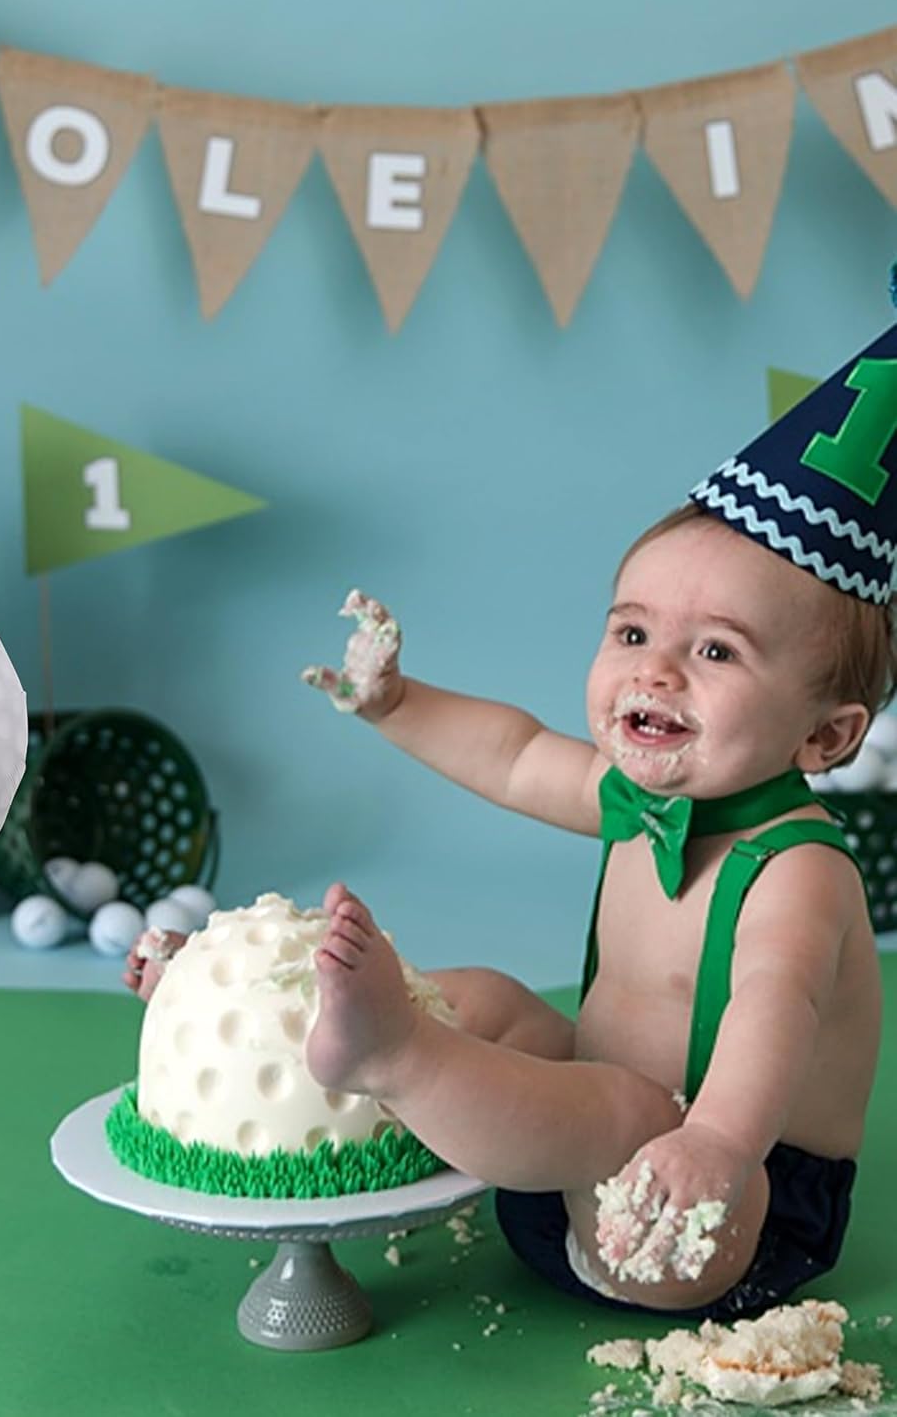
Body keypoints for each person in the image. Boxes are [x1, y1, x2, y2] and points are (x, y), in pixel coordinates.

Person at [127, 321, 894, 1321]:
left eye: (717, 652)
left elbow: (771, 1008)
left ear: (826, 736)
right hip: (567, 1159)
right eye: (632, 632)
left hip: (712, 1214)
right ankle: (246, 1009)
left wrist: (713, 1142)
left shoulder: (799, 870)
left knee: (625, 1105)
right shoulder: (642, 801)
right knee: (489, 1000)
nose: (656, 670)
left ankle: (393, 1055)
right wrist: (395, 703)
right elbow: (516, 755)